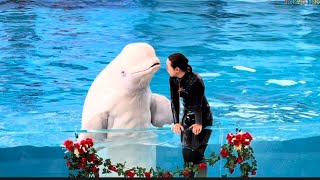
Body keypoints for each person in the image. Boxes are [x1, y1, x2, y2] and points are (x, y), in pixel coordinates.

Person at [166, 52, 213, 177]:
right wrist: (176, 122)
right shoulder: (173, 79)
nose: (166, 69)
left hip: (202, 117)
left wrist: (198, 123)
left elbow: (197, 104)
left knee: (197, 155)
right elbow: (174, 101)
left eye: (168, 67)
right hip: (187, 116)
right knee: (187, 155)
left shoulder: (196, 80)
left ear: (177, 69)